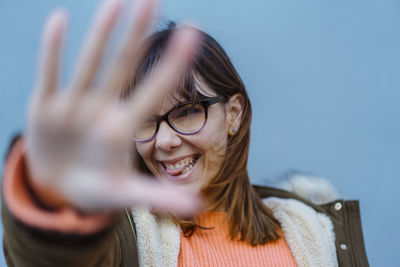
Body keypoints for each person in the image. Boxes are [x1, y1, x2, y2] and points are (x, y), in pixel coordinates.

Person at [2, 0, 369, 266]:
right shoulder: (119, 238)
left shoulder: (315, 232)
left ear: (234, 115)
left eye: (189, 111)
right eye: (145, 120)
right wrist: (49, 201)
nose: (164, 141)